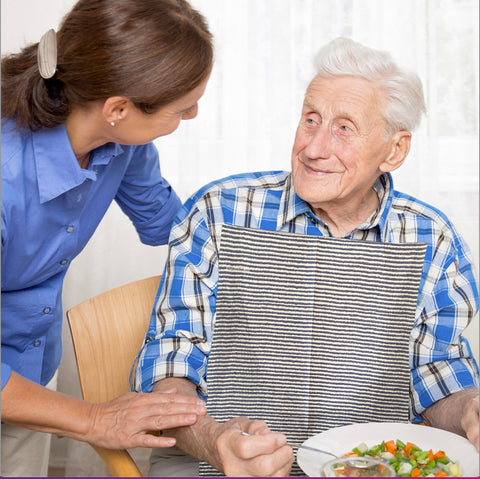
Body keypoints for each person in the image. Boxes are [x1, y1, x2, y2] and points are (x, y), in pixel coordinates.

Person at [133, 37, 480, 477]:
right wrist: (211, 439)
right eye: (310, 120)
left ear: (395, 150)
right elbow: (171, 359)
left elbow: (437, 376)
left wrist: (471, 408)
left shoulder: (432, 238)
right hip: (215, 461)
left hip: (367, 468)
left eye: (344, 128)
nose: (314, 148)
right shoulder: (219, 211)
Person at [1, 0, 214, 476]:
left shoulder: (120, 145)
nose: (195, 113)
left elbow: (172, 225)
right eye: (183, 107)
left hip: (29, 368)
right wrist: (94, 418)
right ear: (117, 108)